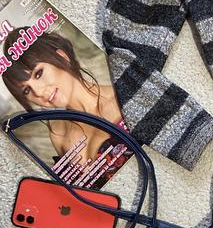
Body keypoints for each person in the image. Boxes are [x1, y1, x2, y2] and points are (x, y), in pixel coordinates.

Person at [3, 29, 126, 169]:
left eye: (38, 73)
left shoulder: (119, 97)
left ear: (62, 56)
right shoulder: (58, 133)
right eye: (27, 90)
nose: (38, 92)